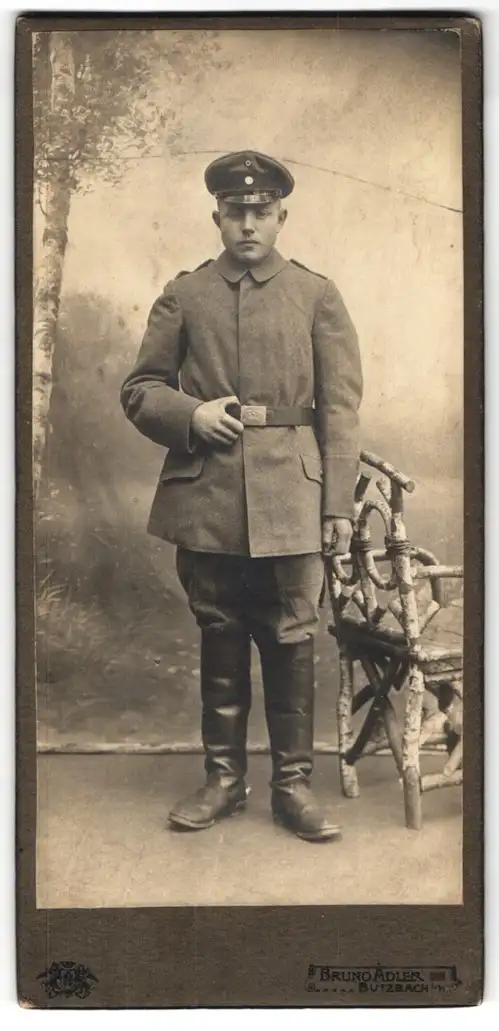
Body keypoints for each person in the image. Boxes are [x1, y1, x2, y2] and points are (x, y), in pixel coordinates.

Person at [121, 150, 363, 842]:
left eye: (261, 212)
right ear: (217, 217)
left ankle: (292, 786)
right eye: (236, 212)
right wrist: (190, 416)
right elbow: (140, 389)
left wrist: (338, 506)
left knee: (291, 637)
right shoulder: (185, 293)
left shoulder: (316, 295)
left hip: (294, 492)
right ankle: (223, 778)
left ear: (281, 216)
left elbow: (340, 411)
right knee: (220, 634)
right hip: (207, 495)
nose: (248, 223)